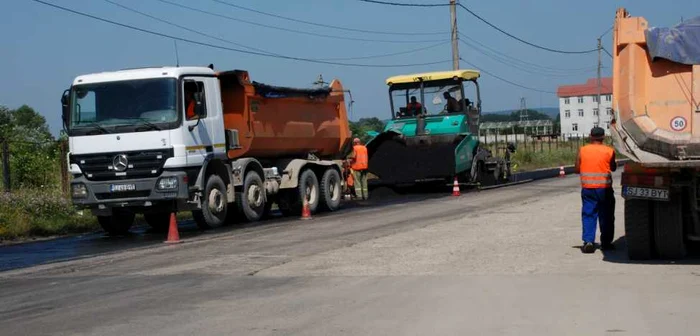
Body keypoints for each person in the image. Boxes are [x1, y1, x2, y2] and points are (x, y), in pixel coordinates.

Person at [574, 126, 617, 254]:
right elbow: (613, 168)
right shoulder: (609, 151)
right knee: (606, 216)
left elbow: (576, 169)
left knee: (588, 214)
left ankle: (588, 241)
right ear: (603, 137)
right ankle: (606, 243)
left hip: (588, 189)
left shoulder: (582, 150)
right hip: (604, 189)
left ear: (590, 136)